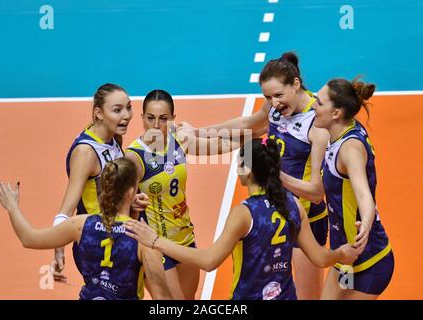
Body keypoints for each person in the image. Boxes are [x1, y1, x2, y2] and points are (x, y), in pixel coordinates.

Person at [124, 138, 360, 300]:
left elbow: (208, 260)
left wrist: (155, 240)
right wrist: (342, 253)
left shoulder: (244, 213)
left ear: (247, 170)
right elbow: (320, 257)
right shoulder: (293, 205)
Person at [178, 52, 330, 299]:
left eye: (279, 95)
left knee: (307, 296)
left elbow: (315, 193)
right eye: (268, 97)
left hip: (304, 217)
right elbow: (248, 124)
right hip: (271, 213)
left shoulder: (316, 122)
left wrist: (274, 174)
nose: (274, 103)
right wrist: (199, 132)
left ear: (296, 84)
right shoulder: (274, 107)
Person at [0, 158, 172, 300]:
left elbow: (29, 238)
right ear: (131, 192)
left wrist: (12, 206)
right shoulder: (144, 238)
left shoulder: (81, 224)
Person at [125, 89, 239, 299]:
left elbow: (221, 144)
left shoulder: (179, 140)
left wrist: (253, 138)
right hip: (154, 244)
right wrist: (133, 203)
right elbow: (120, 205)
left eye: (163, 119)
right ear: (142, 118)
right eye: (150, 118)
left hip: (185, 239)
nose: (156, 125)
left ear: (173, 119)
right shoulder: (134, 157)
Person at [52, 83, 149, 283]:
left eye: (128, 107)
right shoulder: (86, 153)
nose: (127, 115)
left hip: (120, 237)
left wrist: (132, 202)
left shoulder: (112, 139)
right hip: (98, 246)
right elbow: (66, 209)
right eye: (117, 110)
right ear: (99, 113)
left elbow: (108, 191)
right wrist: (58, 248)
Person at [313, 78, 394, 299]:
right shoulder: (339, 131)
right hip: (345, 259)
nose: (313, 106)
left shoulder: (350, 150)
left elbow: (363, 194)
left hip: (370, 263)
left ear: (336, 113)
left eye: (319, 103)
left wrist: (366, 223)